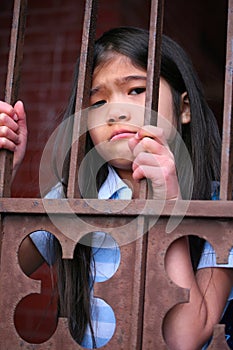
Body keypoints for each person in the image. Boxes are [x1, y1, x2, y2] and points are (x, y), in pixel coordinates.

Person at [0, 26, 232, 349]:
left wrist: (167, 205)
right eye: (98, 103)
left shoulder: (218, 205)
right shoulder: (74, 198)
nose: (116, 112)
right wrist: (4, 173)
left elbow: (185, 339)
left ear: (184, 108)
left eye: (136, 90)